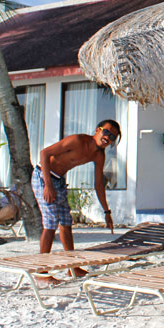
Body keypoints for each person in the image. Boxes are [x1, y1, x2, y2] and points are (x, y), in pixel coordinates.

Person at [31, 120, 120, 283]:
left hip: (58, 181)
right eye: (106, 132)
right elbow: (44, 153)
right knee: (51, 222)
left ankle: (72, 267)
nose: (108, 137)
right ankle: (41, 271)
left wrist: (107, 212)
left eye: (113, 136)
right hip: (43, 177)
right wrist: (47, 185)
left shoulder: (99, 155)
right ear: (97, 130)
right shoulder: (78, 140)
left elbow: (99, 184)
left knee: (66, 222)